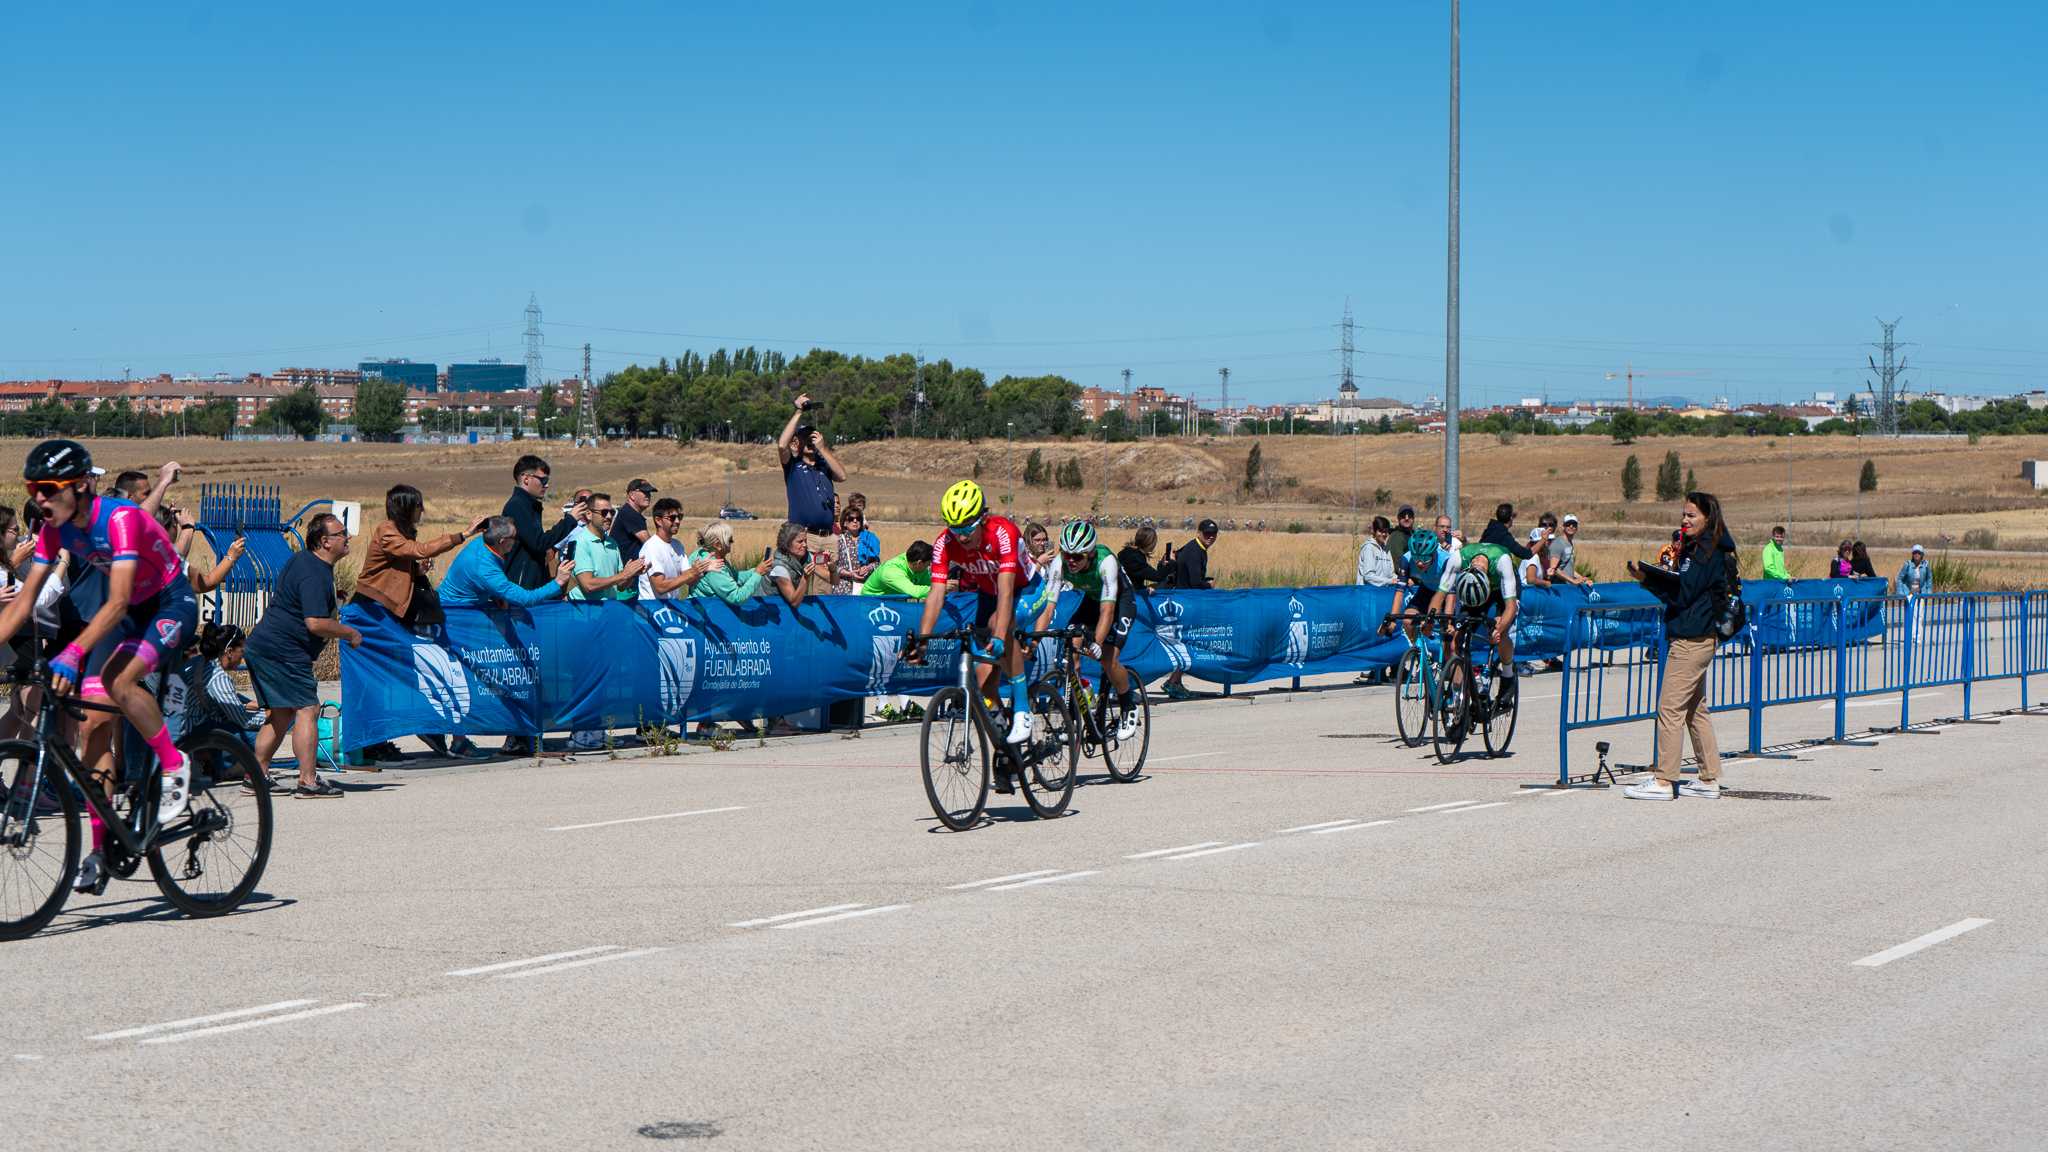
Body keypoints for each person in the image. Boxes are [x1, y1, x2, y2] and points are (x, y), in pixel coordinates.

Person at [0, 442, 201, 893]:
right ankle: (99, 851)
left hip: (168, 603)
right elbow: (23, 604)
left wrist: (73, 654)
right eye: (34, 489)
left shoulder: (121, 520)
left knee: (118, 679)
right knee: (91, 727)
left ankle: (173, 763)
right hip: (126, 616)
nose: (40, 499)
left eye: (49, 489)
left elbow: (118, 600)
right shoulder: (55, 530)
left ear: (82, 485)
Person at [906, 480, 1034, 771]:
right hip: (989, 595)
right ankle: (1007, 745)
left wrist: (1000, 634)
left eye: (966, 527)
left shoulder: (1002, 532)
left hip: (1027, 590)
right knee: (982, 678)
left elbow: (1006, 590)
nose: (961, 536)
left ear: (983, 518)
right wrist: (923, 639)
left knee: (997, 625)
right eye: (954, 528)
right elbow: (936, 593)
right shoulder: (944, 543)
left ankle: (1024, 708)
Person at [1623, 491, 1735, 801]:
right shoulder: (1711, 548)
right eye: (1683, 515)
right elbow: (1684, 591)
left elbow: (1682, 594)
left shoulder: (1703, 553)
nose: (1685, 520)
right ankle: (1709, 778)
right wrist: (1649, 577)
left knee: (1669, 709)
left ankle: (1664, 780)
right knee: (1695, 710)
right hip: (1700, 636)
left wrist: (1650, 578)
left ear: (1708, 519)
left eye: (1692, 516)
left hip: (1691, 639)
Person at [244, 512, 360, 800]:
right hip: (283, 650)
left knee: (281, 714)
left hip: (265, 646)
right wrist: (349, 633)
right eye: (341, 534)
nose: (347, 538)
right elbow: (315, 623)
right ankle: (308, 781)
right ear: (324, 541)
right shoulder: (314, 571)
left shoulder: (306, 562)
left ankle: (255, 776)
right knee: (307, 709)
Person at [1036, 521, 1141, 739]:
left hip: (1120, 601)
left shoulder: (1106, 562)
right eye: (1067, 555)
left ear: (1090, 554)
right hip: (1092, 600)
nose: (1071, 561)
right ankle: (1074, 716)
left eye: (1077, 557)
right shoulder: (1059, 564)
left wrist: (1097, 643)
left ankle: (1128, 705)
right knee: (1071, 650)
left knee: (1108, 658)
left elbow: (1107, 611)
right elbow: (1048, 608)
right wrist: (1035, 641)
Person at [567, 494, 647, 752]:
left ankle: (596, 730)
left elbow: (618, 582)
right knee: (586, 675)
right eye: (603, 512)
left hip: (607, 618)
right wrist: (622, 575)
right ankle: (580, 732)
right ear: (588, 514)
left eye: (611, 512)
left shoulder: (612, 543)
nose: (609, 516)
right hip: (585, 617)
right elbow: (588, 584)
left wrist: (632, 574)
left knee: (603, 676)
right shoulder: (580, 542)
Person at [1426, 536, 1523, 708]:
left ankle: (1508, 676)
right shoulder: (1457, 559)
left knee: (1502, 631)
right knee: (1456, 640)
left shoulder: (1502, 562)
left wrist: (1498, 630)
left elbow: (1510, 608)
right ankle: (1459, 695)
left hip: (1502, 591)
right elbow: (1439, 595)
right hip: (1471, 589)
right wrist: (1428, 620)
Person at [441, 516, 578, 610]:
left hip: (464, 608)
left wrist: (496, 595)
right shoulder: (486, 570)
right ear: (502, 541)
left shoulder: (485, 541)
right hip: (455, 614)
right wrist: (557, 582)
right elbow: (526, 599)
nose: (518, 540)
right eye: (514, 537)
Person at [502, 455, 585, 590]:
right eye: (543, 479)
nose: (546, 485)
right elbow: (539, 543)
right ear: (526, 479)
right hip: (521, 586)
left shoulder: (529, 505)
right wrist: (569, 520)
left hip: (530, 583)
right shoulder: (517, 506)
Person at [176, 623, 265, 743]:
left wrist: (247, 704)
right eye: (242, 651)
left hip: (181, 725)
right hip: (192, 732)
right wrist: (271, 716)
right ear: (229, 651)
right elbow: (244, 720)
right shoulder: (219, 678)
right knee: (264, 734)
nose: (243, 656)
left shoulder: (200, 661)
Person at [1160, 519, 1219, 700]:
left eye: (1213, 534)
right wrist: (1209, 586)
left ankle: (1175, 681)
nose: (1210, 537)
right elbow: (1194, 581)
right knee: (1186, 643)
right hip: (1186, 603)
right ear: (1199, 532)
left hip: (1182, 601)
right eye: (1207, 533)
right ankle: (1173, 682)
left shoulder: (1194, 548)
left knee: (1184, 644)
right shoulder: (1195, 551)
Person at [777, 393, 847, 535]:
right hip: (803, 535)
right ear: (797, 442)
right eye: (805, 437)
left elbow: (842, 476)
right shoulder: (793, 465)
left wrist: (822, 448)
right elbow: (782, 445)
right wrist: (799, 411)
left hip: (827, 536)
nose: (810, 440)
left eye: (812, 436)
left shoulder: (823, 464)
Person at [638, 498, 716, 600]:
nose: (678, 521)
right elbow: (660, 587)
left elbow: (689, 581)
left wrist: (702, 570)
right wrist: (692, 572)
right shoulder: (651, 547)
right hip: (652, 610)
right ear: (658, 520)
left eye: (680, 517)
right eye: (672, 517)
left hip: (671, 607)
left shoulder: (678, 545)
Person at [688, 522, 773, 606]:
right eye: (730, 540)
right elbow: (737, 597)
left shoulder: (699, 553)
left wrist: (757, 570)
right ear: (718, 545)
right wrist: (758, 574)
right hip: (712, 613)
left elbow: (734, 576)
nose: (732, 542)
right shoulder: (716, 568)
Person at [767, 520, 830, 609]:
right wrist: (805, 578)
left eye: (805, 541)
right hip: (766, 607)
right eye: (800, 542)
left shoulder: (806, 556)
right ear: (787, 544)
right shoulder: (779, 568)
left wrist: (834, 568)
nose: (805, 545)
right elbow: (794, 602)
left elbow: (828, 577)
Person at [861, 540, 933, 597]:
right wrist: (940, 590)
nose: (929, 566)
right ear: (919, 563)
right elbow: (915, 592)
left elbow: (929, 587)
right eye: (928, 564)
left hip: (892, 604)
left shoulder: (920, 568)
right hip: (870, 605)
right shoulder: (891, 571)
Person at [831, 506, 877, 595]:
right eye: (851, 519)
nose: (855, 521)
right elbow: (833, 566)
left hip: (866, 587)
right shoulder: (838, 540)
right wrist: (849, 574)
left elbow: (877, 563)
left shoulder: (869, 538)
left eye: (858, 519)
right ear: (844, 523)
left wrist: (868, 568)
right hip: (844, 588)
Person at [612, 479, 657, 565]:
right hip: (627, 571)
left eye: (649, 493)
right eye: (644, 492)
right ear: (632, 495)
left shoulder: (630, 512)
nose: (648, 496)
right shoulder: (630, 513)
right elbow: (648, 543)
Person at [1117, 526, 1170, 592]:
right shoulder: (1135, 560)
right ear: (1149, 542)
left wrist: (1144, 588)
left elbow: (1133, 578)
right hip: (1129, 596)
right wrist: (1171, 563)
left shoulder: (1129, 553)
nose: (1155, 544)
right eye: (1154, 541)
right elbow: (1158, 577)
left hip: (1125, 591)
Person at [1356, 515, 1397, 587]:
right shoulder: (1369, 548)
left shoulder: (1387, 549)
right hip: (1367, 593)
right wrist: (1389, 581)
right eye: (1380, 531)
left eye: (1386, 531)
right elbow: (1368, 576)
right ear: (1374, 531)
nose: (1384, 534)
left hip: (1381, 593)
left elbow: (1391, 574)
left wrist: (1401, 580)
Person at [847, 492, 883, 569]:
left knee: (870, 544)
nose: (858, 507)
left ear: (864, 506)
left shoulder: (862, 515)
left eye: (860, 505)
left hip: (863, 534)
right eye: (855, 505)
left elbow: (866, 525)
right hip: (857, 535)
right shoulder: (850, 515)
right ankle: (861, 559)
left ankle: (870, 557)